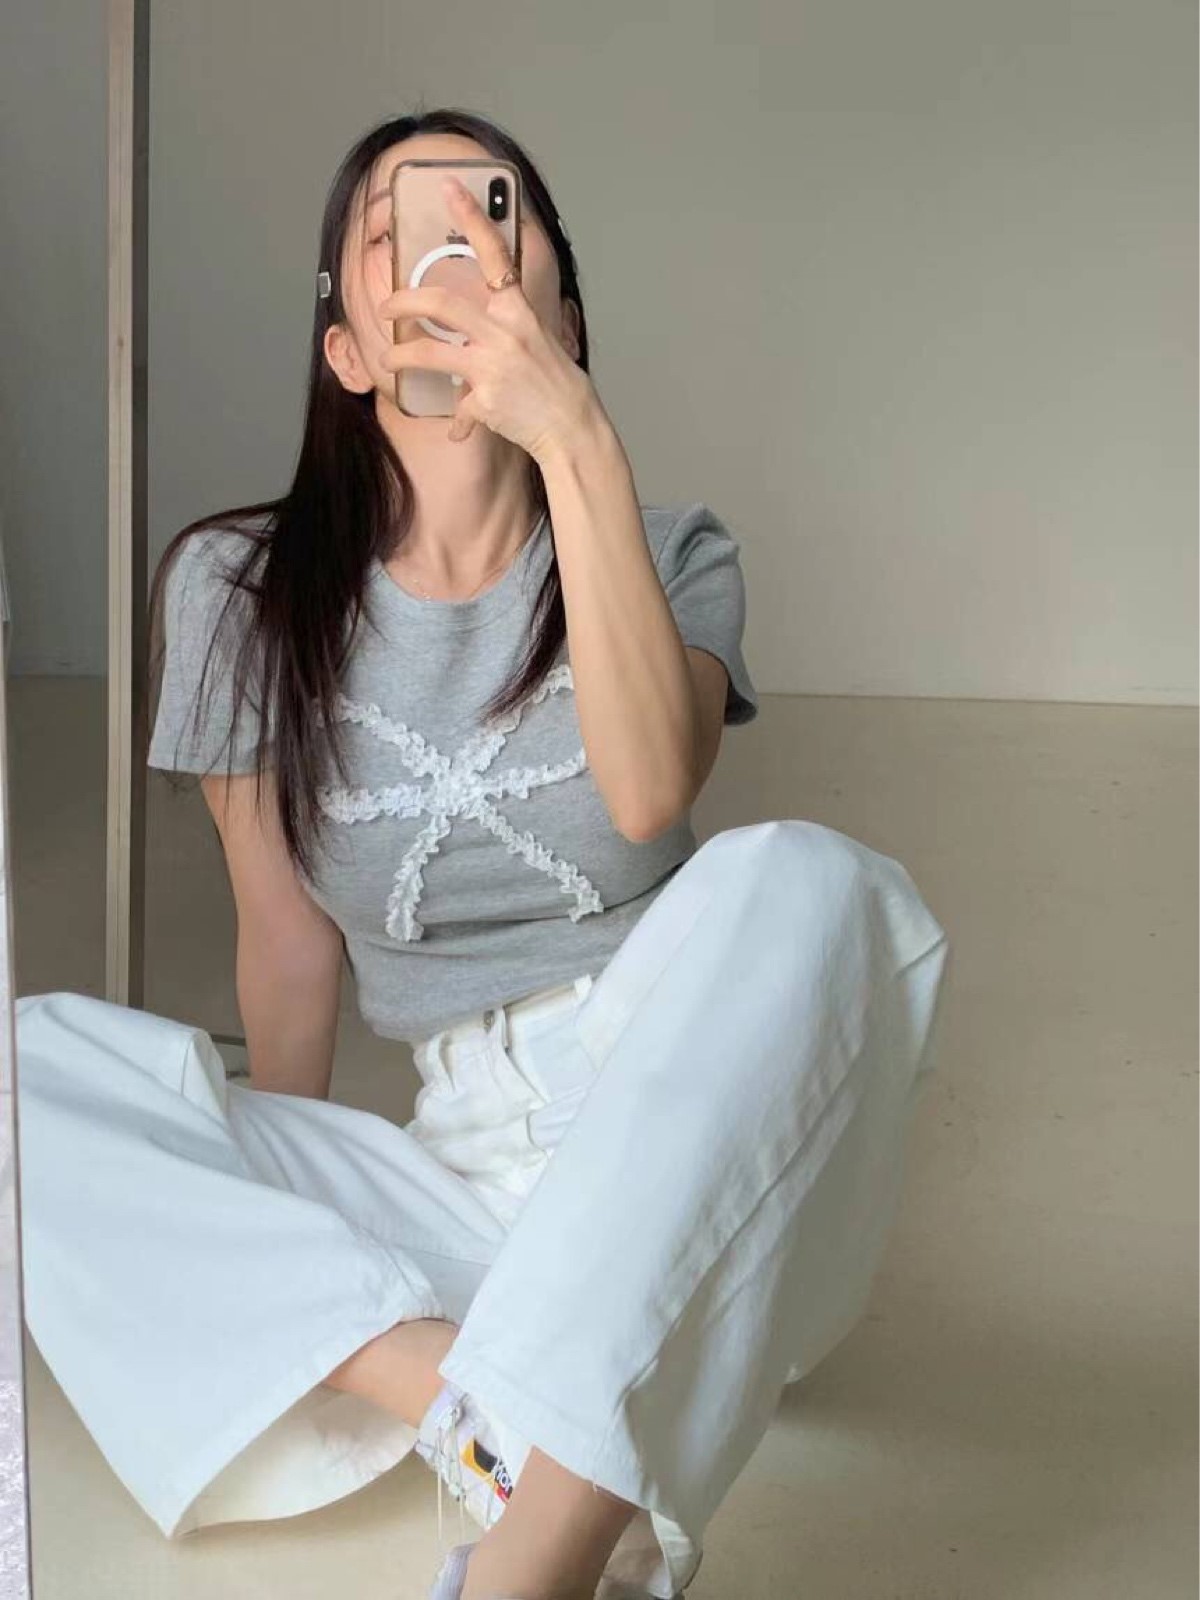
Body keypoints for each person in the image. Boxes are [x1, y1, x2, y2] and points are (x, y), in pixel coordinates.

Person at [15, 108, 951, 1600]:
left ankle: (532, 1556)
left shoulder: (671, 554)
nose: (452, 245)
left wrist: (571, 437)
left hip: (707, 1155)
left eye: (494, 217)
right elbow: (287, 947)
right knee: (22, 1071)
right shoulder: (235, 592)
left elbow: (650, 792)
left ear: (562, 315)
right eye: (397, 226)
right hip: (458, 1185)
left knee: (817, 883)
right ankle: (478, 1407)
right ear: (346, 348)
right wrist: (277, 1218)